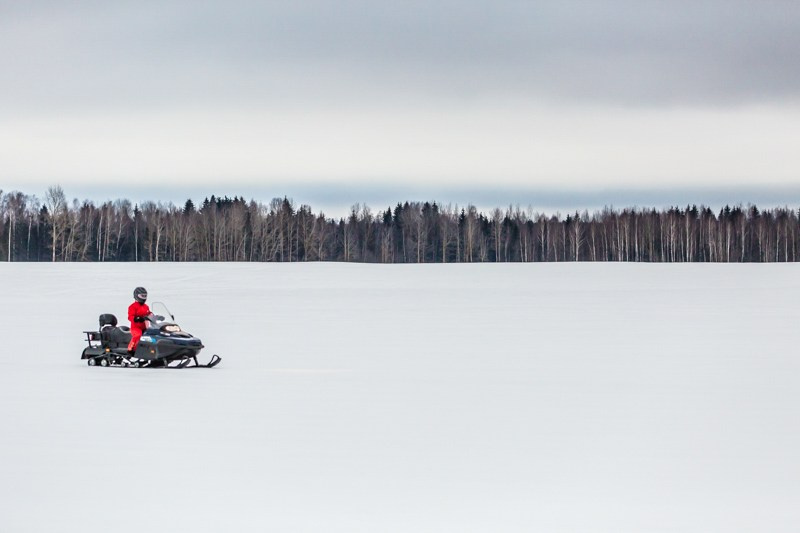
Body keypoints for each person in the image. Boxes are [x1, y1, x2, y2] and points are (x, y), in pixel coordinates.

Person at [127, 286, 151, 355]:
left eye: (145, 296)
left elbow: (148, 313)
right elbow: (130, 316)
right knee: (138, 335)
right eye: (142, 296)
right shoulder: (132, 306)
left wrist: (155, 316)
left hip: (145, 327)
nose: (143, 298)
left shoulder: (146, 306)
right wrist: (136, 318)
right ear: (136, 296)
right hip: (135, 327)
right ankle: (131, 349)